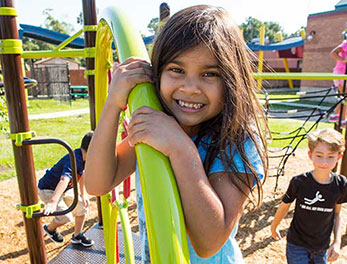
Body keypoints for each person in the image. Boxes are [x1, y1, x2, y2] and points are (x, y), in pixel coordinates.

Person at [84, 5, 268, 263]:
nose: (190, 88)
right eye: (177, 70)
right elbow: (96, 183)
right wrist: (114, 103)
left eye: (209, 74)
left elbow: (208, 242)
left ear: (231, 80)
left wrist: (181, 149)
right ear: (157, 72)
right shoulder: (160, 125)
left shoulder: (237, 140)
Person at [271, 128, 347, 264]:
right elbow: (285, 206)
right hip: (297, 245)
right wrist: (274, 226)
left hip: (322, 247)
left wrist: (336, 242)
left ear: (339, 157)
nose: (324, 162)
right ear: (310, 155)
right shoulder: (299, 182)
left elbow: (337, 213)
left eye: (330, 156)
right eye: (319, 155)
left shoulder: (340, 184)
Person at [38, 131, 94, 247]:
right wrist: (53, 202)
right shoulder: (74, 160)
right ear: (92, 148)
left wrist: (83, 195)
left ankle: (77, 235)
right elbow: (63, 180)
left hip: (64, 190)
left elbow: (82, 176)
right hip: (48, 189)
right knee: (65, 217)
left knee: (81, 206)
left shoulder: (86, 159)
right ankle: (50, 229)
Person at [329, 30, 347, 125]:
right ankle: (341, 118)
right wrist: (343, 60)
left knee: (344, 96)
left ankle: (337, 115)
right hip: (340, 72)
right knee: (345, 95)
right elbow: (332, 53)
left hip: (344, 75)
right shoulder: (345, 44)